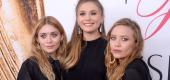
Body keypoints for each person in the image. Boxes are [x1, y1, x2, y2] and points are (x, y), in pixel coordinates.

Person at [62, 0, 107, 80]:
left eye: (93, 13)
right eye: (82, 14)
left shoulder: (111, 47)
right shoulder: (68, 47)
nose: (88, 18)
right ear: (77, 18)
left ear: (102, 17)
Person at [17, 16, 67, 80]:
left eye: (54, 35)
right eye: (43, 36)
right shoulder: (30, 65)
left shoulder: (70, 62)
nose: (49, 40)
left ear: (61, 37)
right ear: (37, 39)